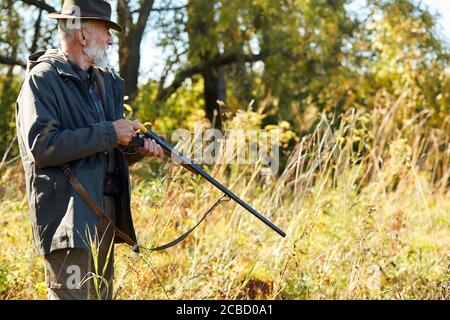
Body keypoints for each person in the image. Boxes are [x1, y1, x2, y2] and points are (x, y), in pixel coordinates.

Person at [15, 0, 164, 300]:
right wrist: (111, 132)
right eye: (106, 31)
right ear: (82, 36)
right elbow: (42, 146)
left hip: (104, 211)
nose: (110, 39)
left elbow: (101, 151)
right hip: (68, 217)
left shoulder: (103, 82)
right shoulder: (42, 80)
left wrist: (135, 149)